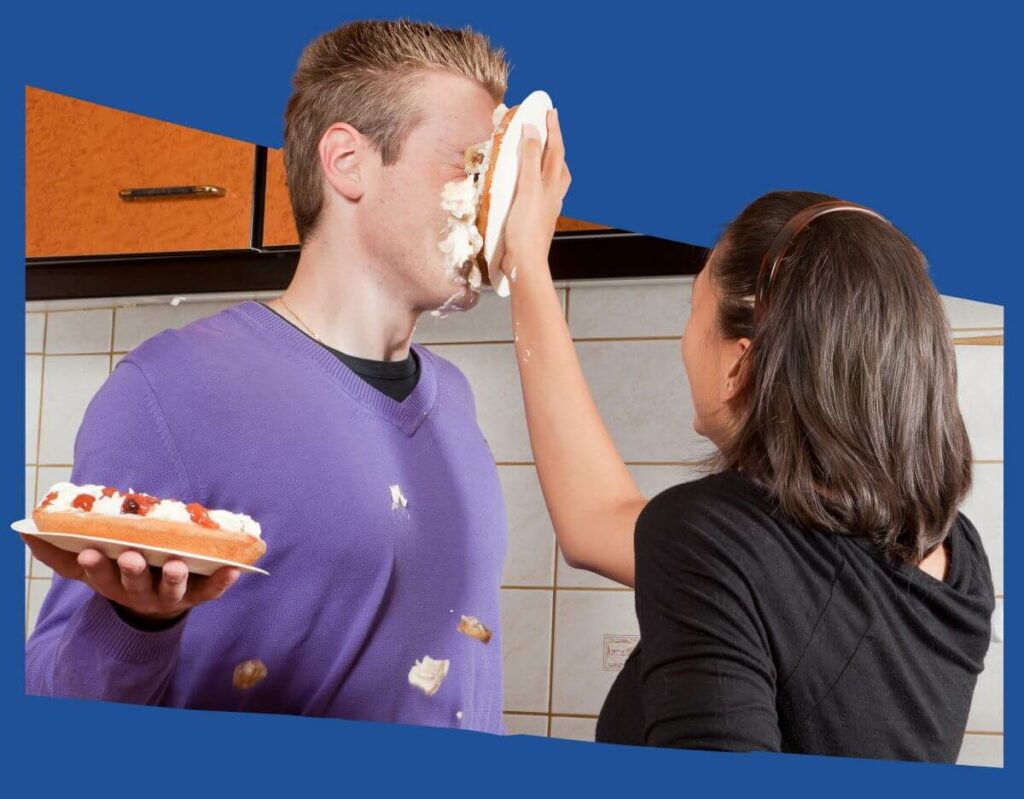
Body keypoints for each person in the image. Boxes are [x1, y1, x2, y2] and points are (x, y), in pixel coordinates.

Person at [25, 19, 512, 731]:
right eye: (468, 166)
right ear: (347, 161)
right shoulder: (174, 387)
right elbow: (52, 706)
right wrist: (137, 618)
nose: (490, 199)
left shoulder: (455, 401)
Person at [499, 119, 994, 761]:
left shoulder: (713, 534)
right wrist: (528, 269)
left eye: (692, 306)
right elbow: (597, 524)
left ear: (740, 364)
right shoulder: (953, 548)